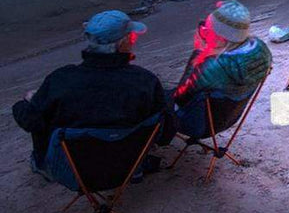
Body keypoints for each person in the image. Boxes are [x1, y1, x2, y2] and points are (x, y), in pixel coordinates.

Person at [12, 10, 175, 173]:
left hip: (74, 172)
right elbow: (166, 133)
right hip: (128, 163)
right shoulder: (144, 81)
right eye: (132, 37)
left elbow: (32, 122)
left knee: (36, 108)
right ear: (122, 43)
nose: (134, 41)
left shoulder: (61, 80)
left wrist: (24, 104)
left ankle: (41, 164)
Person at [173, 0, 272, 108]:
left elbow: (179, 97)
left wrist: (198, 51)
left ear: (223, 39)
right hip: (229, 114)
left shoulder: (212, 67)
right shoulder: (261, 50)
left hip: (200, 120)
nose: (204, 34)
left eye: (207, 31)